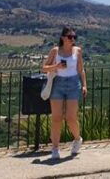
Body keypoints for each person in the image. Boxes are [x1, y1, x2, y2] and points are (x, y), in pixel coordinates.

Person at [41, 27, 87, 160]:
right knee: (56, 118)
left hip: (73, 84)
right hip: (58, 84)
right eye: (69, 37)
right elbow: (44, 68)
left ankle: (77, 139)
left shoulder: (77, 51)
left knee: (71, 117)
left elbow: (81, 69)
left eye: (74, 37)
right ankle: (55, 148)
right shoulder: (55, 51)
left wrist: (84, 85)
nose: (72, 39)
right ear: (62, 38)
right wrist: (56, 67)